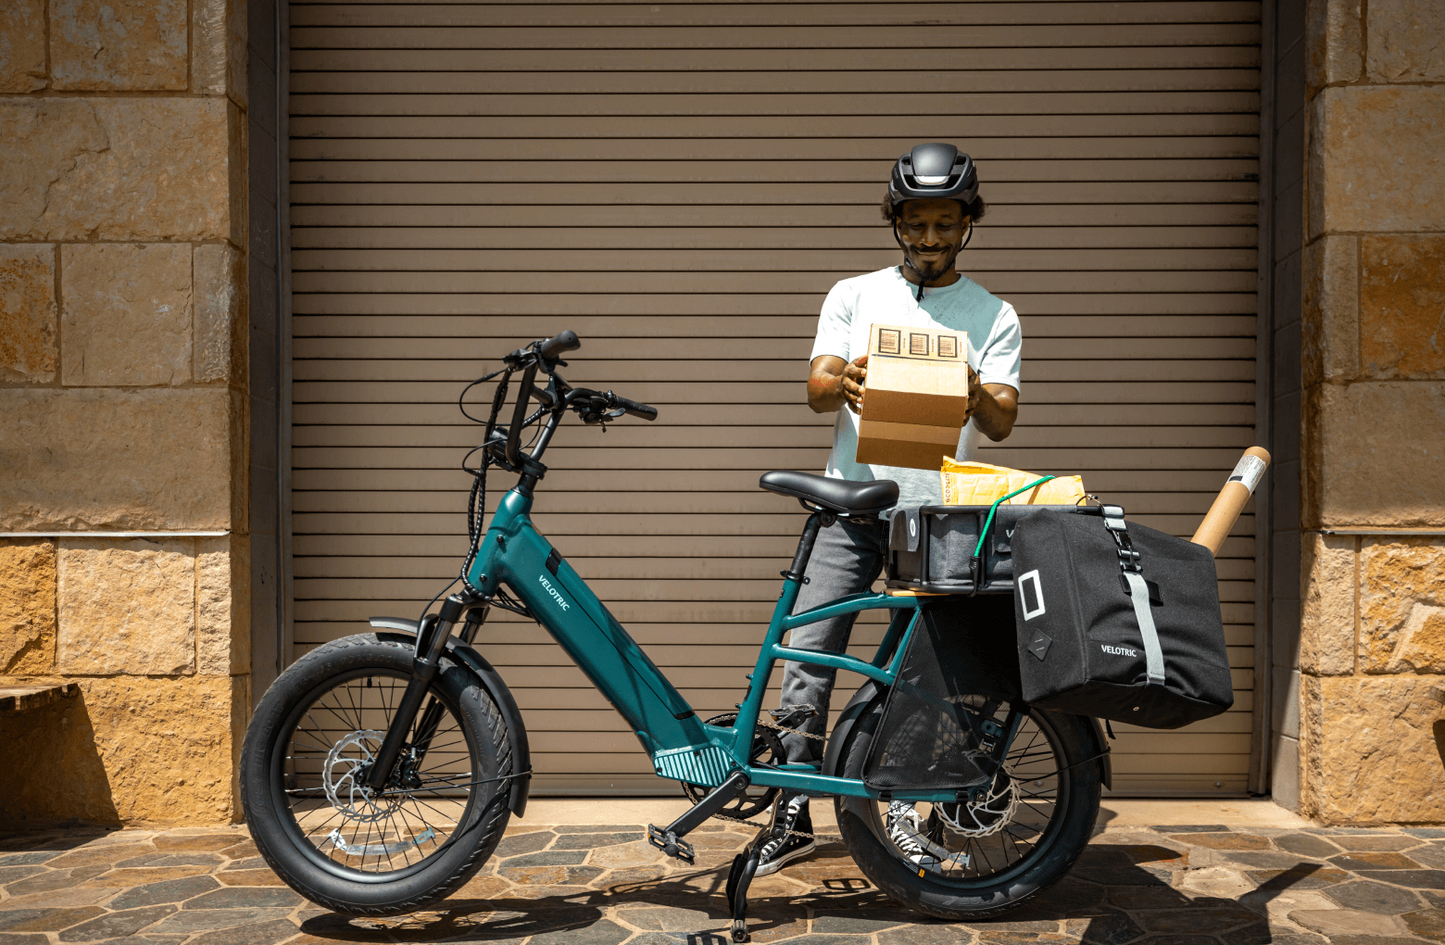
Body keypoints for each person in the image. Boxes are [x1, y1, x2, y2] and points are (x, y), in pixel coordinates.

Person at [754, 143, 1022, 875]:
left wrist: (968, 387)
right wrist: (843, 378)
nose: (928, 240)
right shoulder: (852, 294)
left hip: (934, 518)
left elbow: (1001, 422)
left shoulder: (993, 315)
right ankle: (791, 811)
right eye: (914, 224)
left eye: (944, 224)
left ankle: (904, 805)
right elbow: (813, 389)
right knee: (807, 659)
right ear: (895, 221)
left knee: (921, 672)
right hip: (851, 506)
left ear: (967, 222)